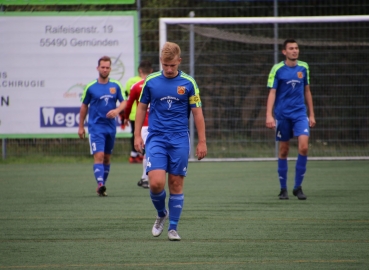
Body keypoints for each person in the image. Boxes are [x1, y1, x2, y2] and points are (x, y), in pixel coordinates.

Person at [134, 42, 207, 241]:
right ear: (161, 62)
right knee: (156, 183)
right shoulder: (151, 81)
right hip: (156, 138)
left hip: (179, 139)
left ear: (179, 62)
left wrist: (202, 141)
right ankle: (161, 213)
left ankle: (173, 228)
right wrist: (137, 135)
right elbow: (141, 108)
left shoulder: (189, 83)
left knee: (175, 183)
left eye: (172, 65)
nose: (168, 69)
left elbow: (198, 114)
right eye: (165, 65)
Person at [266, 38, 316, 200]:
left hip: (300, 114)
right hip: (282, 115)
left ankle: (298, 187)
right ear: (284, 52)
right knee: (284, 150)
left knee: (303, 147)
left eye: (296, 48)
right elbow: (272, 93)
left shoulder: (304, 67)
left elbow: (307, 91)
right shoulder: (277, 69)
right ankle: (283, 189)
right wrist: (269, 115)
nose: (294, 50)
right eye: (291, 48)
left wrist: (312, 114)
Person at [78, 56, 127, 197]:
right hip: (96, 128)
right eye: (102, 67)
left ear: (110, 69)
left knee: (106, 158)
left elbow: (124, 102)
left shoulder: (115, 85)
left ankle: (101, 186)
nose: (105, 69)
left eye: (107, 67)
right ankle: (100, 183)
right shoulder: (91, 87)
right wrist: (81, 126)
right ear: (98, 68)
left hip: (110, 128)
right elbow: (84, 107)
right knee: (98, 156)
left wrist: (117, 111)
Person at [124, 61, 153, 189]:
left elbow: (129, 104)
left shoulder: (135, 86)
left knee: (148, 151)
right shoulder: (158, 84)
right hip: (158, 123)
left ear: (140, 71)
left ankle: (145, 178)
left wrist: (125, 117)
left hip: (143, 124)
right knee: (150, 151)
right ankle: (145, 178)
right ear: (151, 71)